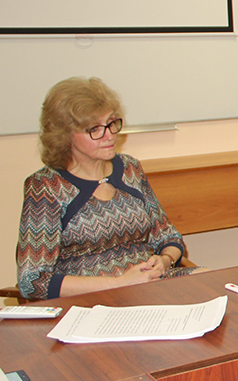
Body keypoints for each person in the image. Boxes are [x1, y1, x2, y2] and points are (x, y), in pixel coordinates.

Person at [17, 77, 202, 300]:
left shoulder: (129, 168)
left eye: (111, 123)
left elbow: (168, 236)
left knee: (215, 285)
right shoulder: (46, 186)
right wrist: (120, 283)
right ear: (65, 136)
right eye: (95, 129)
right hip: (90, 298)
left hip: (149, 285)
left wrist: (164, 261)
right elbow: (32, 280)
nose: (109, 135)